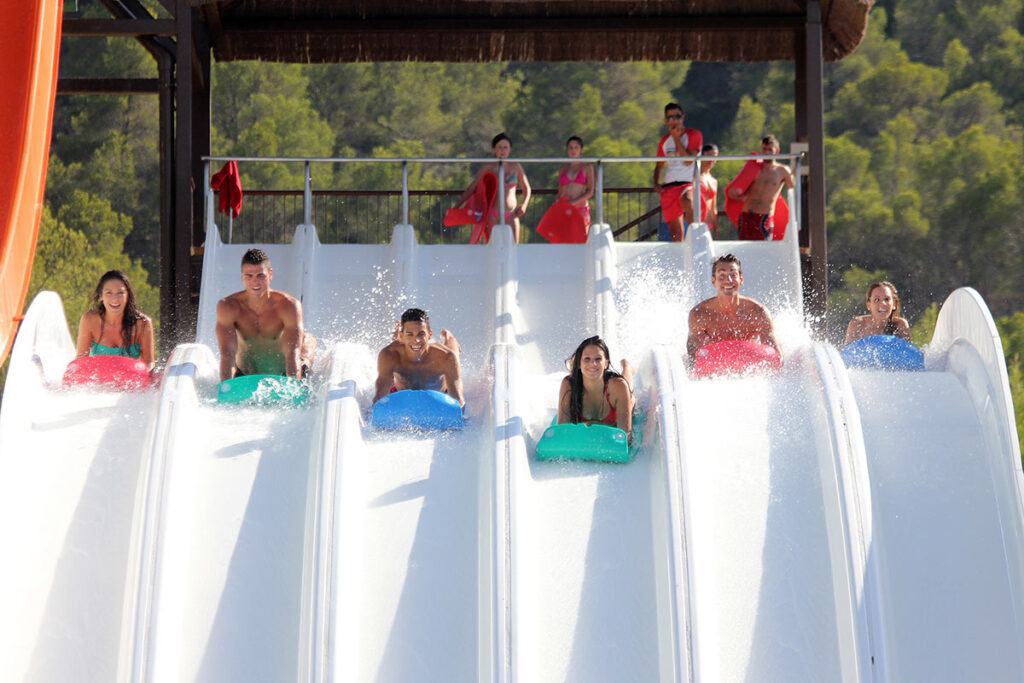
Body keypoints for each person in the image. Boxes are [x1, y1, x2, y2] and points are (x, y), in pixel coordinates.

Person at [215, 248, 316, 381]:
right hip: (246, 373)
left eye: (260, 276)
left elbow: (292, 353)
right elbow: (227, 353)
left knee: (302, 352)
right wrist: (225, 386)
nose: (255, 282)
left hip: (282, 373)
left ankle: (308, 342)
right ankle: (306, 338)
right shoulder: (228, 307)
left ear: (270, 274)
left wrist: (293, 387)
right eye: (249, 276)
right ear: (242, 276)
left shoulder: (288, 306)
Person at [686, 253, 780, 359]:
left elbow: (775, 354)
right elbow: (693, 359)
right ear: (713, 281)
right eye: (722, 276)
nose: (729, 280)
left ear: (741, 279)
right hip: (714, 367)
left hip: (748, 363)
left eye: (733, 275)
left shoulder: (758, 312)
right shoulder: (700, 314)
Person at [374, 308, 465, 408]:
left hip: (440, 396)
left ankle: (447, 335)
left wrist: (458, 411)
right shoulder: (389, 355)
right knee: (402, 346)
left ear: (430, 334)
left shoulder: (446, 356)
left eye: (421, 334)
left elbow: (458, 401)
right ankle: (400, 331)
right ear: (402, 335)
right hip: (400, 393)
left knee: (452, 353)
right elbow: (379, 398)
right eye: (410, 334)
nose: (416, 340)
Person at [557, 336, 635, 443]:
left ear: (606, 363)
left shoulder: (618, 386)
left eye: (598, 359)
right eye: (587, 359)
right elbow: (561, 430)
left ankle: (627, 367)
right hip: (582, 380)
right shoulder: (569, 385)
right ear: (579, 364)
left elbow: (626, 436)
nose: (592, 364)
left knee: (628, 386)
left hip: (619, 395)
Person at [458, 132, 532, 243]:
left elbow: (527, 188)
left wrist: (524, 205)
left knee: (513, 251)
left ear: (510, 149)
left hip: (511, 215)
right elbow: (472, 187)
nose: (503, 150)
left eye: (505, 147)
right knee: (492, 250)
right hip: (492, 214)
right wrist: (457, 206)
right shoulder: (488, 167)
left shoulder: (515, 166)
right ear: (494, 149)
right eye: (500, 147)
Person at [76, 269, 156, 372]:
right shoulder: (89, 320)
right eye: (109, 293)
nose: (115, 299)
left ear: (128, 295)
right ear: (101, 296)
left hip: (131, 383)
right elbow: (81, 360)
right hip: (99, 383)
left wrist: (141, 376)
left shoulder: (143, 323)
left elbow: (149, 363)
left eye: (120, 293)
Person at [727, 134, 794, 241]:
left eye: (770, 149)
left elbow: (794, 188)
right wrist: (738, 196)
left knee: (765, 249)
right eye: (764, 149)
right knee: (743, 250)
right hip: (746, 215)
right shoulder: (754, 167)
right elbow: (735, 189)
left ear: (777, 150)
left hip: (764, 217)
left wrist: (797, 166)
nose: (767, 152)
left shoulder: (782, 171)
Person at [653, 102, 703, 241]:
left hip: (686, 184)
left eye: (677, 116)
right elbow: (659, 164)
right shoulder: (664, 140)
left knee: (688, 201)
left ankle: (697, 241)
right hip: (669, 186)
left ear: (683, 117)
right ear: (666, 120)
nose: (675, 120)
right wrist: (656, 182)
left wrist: (676, 137)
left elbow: (688, 161)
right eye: (671, 117)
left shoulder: (693, 134)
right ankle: (678, 261)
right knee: (676, 234)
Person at [844, 281, 912, 344]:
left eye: (887, 299)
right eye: (876, 300)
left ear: (894, 304)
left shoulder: (900, 325)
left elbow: (909, 354)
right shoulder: (857, 324)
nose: (883, 304)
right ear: (868, 305)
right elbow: (847, 353)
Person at [556, 135, 595, 228]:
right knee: (563, 241)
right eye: (570, 147)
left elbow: (590, 192)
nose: (573, 150)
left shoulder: (587, 167)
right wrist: (558, 204)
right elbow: (560, 192)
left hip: (581, 209)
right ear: (567, 150)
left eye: (576, 147)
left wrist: (573, 203)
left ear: (581, 150)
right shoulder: (562, 169)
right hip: (565, 210)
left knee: (581, 240)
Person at [698, 143, 719, 237]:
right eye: (709, 156)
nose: (712, 159)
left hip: (708, 224)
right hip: (695, 221)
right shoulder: (694, 175)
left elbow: (713, 208)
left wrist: (716, 227)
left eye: (714, 156)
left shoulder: (713, 181)